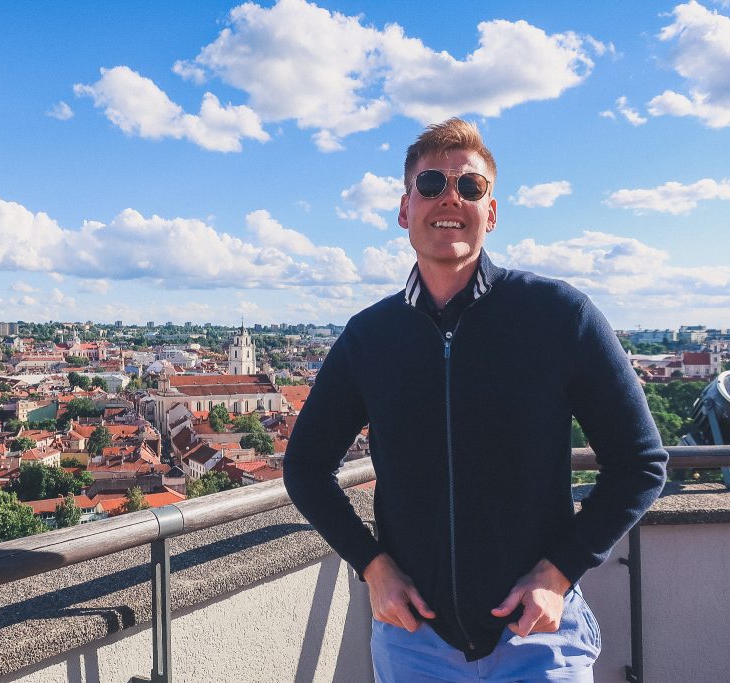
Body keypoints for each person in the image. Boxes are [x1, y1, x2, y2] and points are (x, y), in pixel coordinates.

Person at [283, 118, 668, 681]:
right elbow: (306, 466)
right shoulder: (370, 337)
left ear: (491, 213)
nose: (450, 199)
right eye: (432, 184)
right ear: (403, 209)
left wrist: (559, 574)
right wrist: (372, 567)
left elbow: (640, 464)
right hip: (416, 644)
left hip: (537, 638)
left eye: (470, 187)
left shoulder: (559, 316)